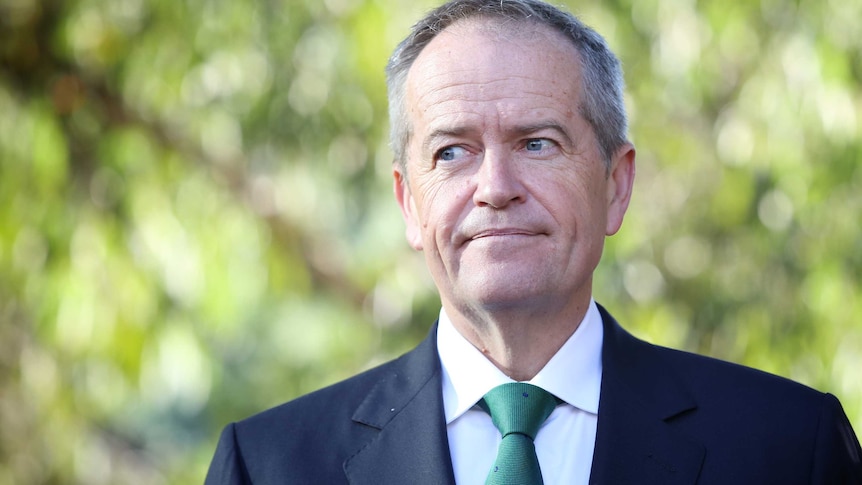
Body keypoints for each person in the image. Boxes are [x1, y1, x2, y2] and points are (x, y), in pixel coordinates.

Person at [204, 0, 862, 483]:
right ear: (409, 202)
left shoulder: (786, 447)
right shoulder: (270, 465)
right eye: (453, 151)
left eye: (537, 143)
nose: (495, 186)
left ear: (616, 183)